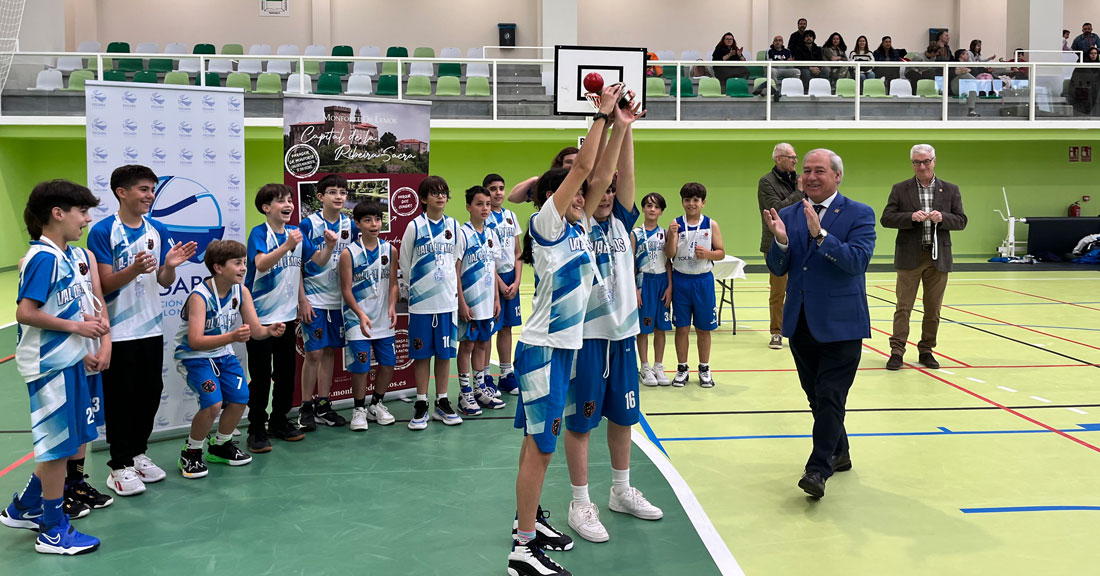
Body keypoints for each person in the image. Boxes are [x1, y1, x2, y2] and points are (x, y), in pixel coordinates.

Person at [507, 84, 624, 576]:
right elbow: (582, 171)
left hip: (560, 351)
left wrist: (622, 126)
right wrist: (598, 116)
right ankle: (523, 550)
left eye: (584, 195)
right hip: (542, 352)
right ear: (553, 198)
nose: (585, 196)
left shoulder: (580, 227)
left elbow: (598, 176)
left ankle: (526, 524)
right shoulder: (547, 226)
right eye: (573, 193)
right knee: (542, 448)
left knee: (535, 446)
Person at [565, 106, 661, 545]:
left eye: (611, 192)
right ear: (582, 196)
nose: (606, 195)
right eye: (598, 191)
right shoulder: (576, 224)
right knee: (581, 423)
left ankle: (621, 491)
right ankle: (579, 501)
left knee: (623, 418)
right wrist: (607, 125)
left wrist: (628, 128)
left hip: (623, 338)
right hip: (584, 338)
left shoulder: (623, 220)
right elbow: (598, 172)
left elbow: (622, 172)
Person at [763, 149, 876, 499]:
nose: (811, 176)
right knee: (817, 398)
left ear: (837, 176)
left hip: (842, 323)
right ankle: (839, 453)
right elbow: (779, 267)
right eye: (806, 171)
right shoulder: (787, 214)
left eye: (820, 171)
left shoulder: (859, 213)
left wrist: (822, 235)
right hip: (801, 322)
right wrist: (781, 240)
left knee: (830, 395)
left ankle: (818, 469)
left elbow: (857, 262)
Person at [3, 180, 109, 554]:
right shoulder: (44, 258)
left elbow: (55, 309)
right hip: (49, 367)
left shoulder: (64, 256)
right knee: (54, 449)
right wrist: (78, 327)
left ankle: (25, 507)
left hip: (69, 361)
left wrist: (83, 338)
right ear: (57, 213)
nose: (87, 219)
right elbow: (25, 312)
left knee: (65, 444)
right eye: (81, 211)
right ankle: (52, 530)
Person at [87, 165, 196, 496]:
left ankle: (137, 454)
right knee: (121, 399)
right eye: (143, 189)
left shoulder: (157, 228)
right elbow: (102, 285)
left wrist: (170, 268)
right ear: (122, 192)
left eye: (152, 189)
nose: (150, 195)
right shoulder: (103, 231)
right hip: (117, 332)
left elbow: (162, 281)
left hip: (150, 327)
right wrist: (133, 269)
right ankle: (118, 466)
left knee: (149, 395)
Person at [174, 240, 284, 478]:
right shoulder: (199, 296)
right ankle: (191, 452)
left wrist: (269, 330)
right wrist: (232, 336)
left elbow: (255, 330)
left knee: (241, 397)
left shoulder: (241, 291)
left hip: (223, 354)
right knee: (213, 402)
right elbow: (194, 340)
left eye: (244, 262)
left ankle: (221, 445)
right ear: (218, 268)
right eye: (237, 263)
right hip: (195, 357)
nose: (244, 268)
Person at [245, 183, 335, 451]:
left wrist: (329, 246)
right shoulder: (259, 233)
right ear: (266, 208)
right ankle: (256, 428)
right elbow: (260, 263)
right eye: (280, 201)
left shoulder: (295, 234)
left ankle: (279, 421)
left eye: (289, 200)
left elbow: (317, 260)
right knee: (260, 378)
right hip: (259, 319)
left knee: (286, 375)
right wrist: (287, 246)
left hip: (286, 318)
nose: (288, 205)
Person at [880, 144, 967, 371]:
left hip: (938, 257)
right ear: (912, 164)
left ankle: (926, 349)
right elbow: (886, 218)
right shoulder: (900, 189)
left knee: (933, 309)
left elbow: (961, 220)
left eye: (926, 161)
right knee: (903, 307)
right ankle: (897, 352)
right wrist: (910, 217)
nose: (922, 166)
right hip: (910, 256)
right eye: (917, 162)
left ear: (934, 161)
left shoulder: (950, 189)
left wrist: (943, 217)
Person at [400, 176, 463, 430]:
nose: (441, 196)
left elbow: (456, 259)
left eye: (444, 192)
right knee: (422, 354)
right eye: (435, 193)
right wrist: (417, 289)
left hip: (447, 303)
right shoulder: (414, 226)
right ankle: (421, 402)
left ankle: (442, 401)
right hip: (422, 304)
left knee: (445, 353)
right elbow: (404, 262)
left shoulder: (454, 226)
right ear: (424, 199)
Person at [298, 174, 354, 431]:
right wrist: (303, 301)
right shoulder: (307, 224)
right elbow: (296, 266)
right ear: (321, 197)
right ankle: (305, 407)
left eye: (342, 192)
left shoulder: (349, 224)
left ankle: (323, 404)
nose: (339, 196)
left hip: (339, 300)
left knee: (331, 351)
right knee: (314, 353)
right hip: (314, 298)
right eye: (333, 192)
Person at [339, 201, 399, 431]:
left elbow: (393, 284)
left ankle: (377, 403)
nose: (374, 224)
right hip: (357, 318)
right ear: (357, 224)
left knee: (389, 363)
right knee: (361, 366)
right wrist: (361, 314)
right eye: (367, 220)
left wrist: (392, 306)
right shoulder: (349, 254)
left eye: (377, 219)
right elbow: (346, 290)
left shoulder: (389, 250)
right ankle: (359, 408)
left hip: (383, 317)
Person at [666, 182, 725, 387]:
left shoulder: (711, 224)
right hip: (681, 280)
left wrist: (707, 254)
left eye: (695, 200)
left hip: (703, 281)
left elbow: (721, 253)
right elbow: (670, 255)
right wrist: (672, 235)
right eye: (687, 200)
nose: (691, 203)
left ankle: (704, 367)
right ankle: (682, 367)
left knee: (703, 329)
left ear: (703, 202)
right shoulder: (675, 224)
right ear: (682, 202)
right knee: (681, 328)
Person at [454, 185, 505, 416]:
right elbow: (455, 271)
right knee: (467, 346)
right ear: (468, 207)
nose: (485, 208)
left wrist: (496, 299)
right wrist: (461, 303)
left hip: (487, 303)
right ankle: (464, 394)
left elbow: (492, 268)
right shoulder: (462, 234)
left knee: (483, 345)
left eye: (487, 204)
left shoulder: (492, 234)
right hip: (470, 304)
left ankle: (479, 389)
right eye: (479, 204)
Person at [758, 143, 804, 350]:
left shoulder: (800, 180)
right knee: (778, 291)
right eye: (791, 157)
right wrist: (799, 192)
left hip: (802, 242)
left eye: (796, 157)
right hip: (776, 244)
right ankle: (776, 332)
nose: (795, 160)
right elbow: (777, 210)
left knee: (804, 288)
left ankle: (801, 329)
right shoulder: (766, 182)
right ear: (778, 159)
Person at [484, 173, 524, 396]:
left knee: (507, 327)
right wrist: (499, 283)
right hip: (491, 279)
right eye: (492, 188)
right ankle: (486, 376)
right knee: (491, 328)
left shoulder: (511, 216)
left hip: (511, 278)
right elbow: (486, 257)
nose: (498, 192)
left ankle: (506, 374)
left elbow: (518, 253)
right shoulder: (485, 218)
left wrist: (517, 281)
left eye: (501, 188)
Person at [633, 192, 672, 386]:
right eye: (649, 205)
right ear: (643, 208)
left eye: (656, 207)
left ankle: (658, 365)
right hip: (644, 282)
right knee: (644, 328)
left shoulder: (665, 234)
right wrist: (635, 288)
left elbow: (668, 263)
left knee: (660, 328)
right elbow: (630, 264)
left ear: (661, 211)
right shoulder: (635, 234)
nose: (652, 209)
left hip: (662, 283)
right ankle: (645, 367)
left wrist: (670, 287)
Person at [508, 146, 578, 204]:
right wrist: (534, 180)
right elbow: (513, 198)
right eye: (568, 162)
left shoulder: (586, 185)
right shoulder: (548, 184)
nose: (572, 166)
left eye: (576, 162)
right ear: (560, 164)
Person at [1068, 47, 1100, 116]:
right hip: (1081, 92)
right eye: (1091, 53)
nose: (1093, 55)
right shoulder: (1083, 64)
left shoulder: (1097, 65)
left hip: (1093, 93)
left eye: (1095, 53)